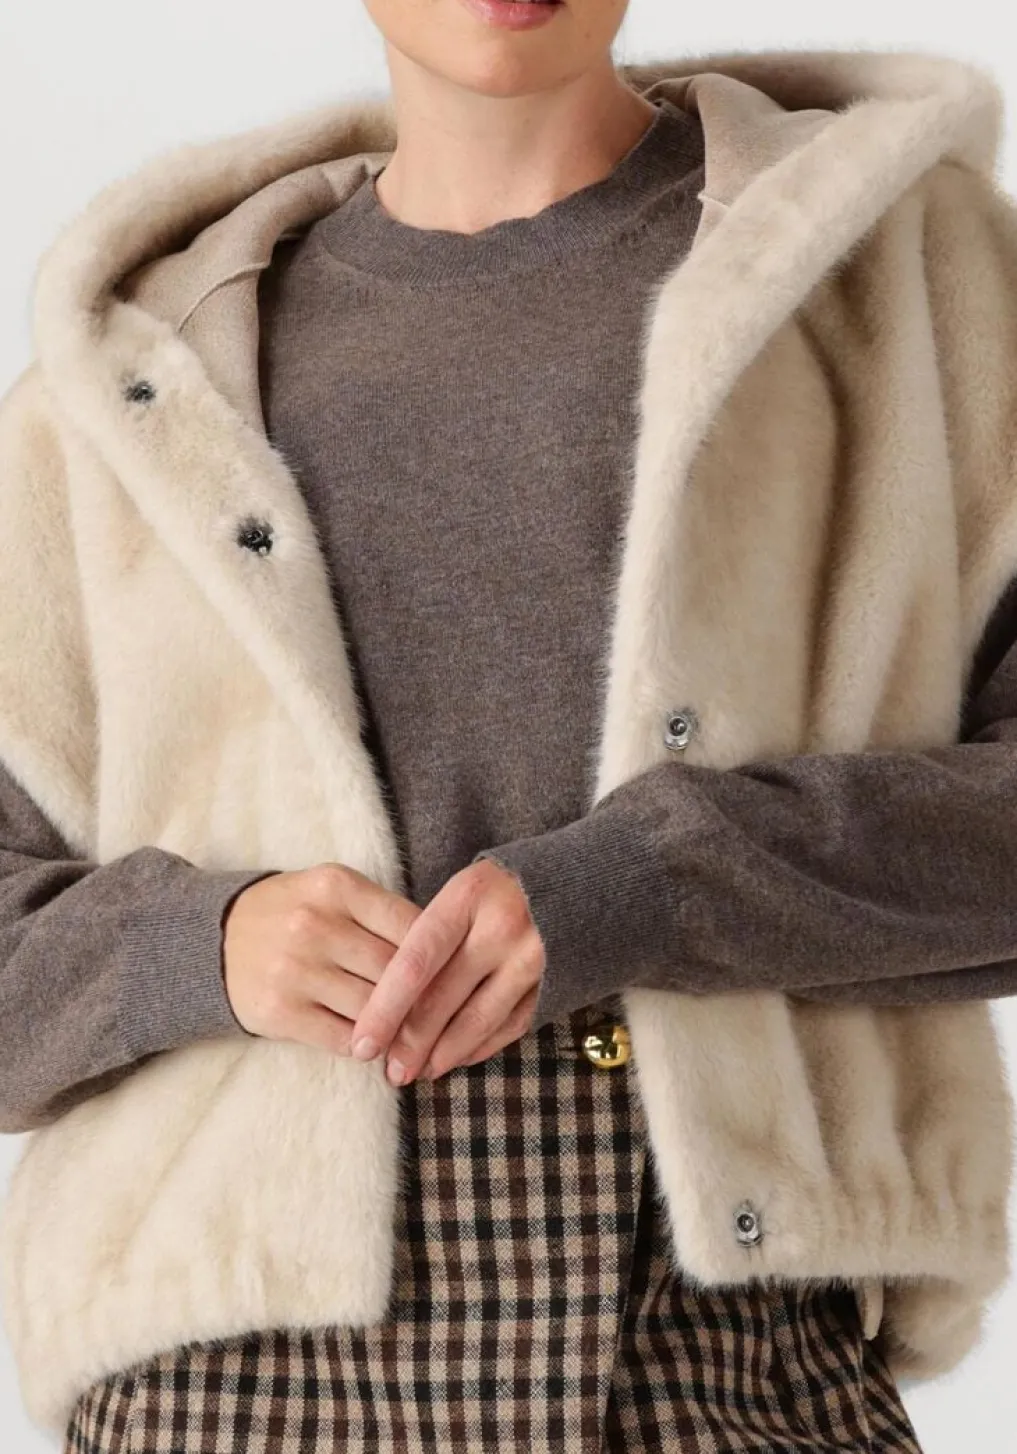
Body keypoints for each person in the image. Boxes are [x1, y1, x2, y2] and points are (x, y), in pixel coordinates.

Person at [2, 3, 1017, 1450]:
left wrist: (666, 881)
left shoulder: (909, 281)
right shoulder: (124, 387)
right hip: (230, 1382)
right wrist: (195, 947)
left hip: (717, 1355)